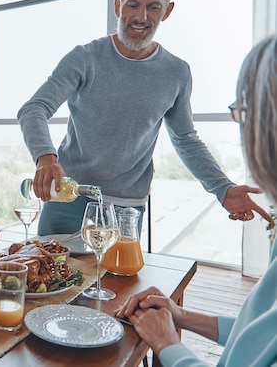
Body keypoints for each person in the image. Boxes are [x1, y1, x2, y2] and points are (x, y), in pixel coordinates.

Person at [17, 0, 271, 235]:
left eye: (153, 7)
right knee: (47, 276)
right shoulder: (85, 58)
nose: (141, 16)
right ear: (118, 6)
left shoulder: (177, 72)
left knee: (118, 280)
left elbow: (185, 139)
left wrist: (223, 188)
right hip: (68, 199)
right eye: (132, 5)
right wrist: (46, 158)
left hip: (126, 211)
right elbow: (34, 108)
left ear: (167, 11)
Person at [115, 34, 277, 366]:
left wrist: (165, 342)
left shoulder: (175, 72)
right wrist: (180, 315)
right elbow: (259, 337)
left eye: (244, 112)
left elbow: (185, 139)